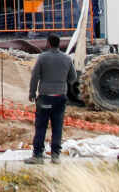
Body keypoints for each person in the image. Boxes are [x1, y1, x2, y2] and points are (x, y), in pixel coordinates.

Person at [27, 33, 76, 163]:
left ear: (48, 43)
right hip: (60, 97)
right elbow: (73, 78)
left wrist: (32, 93)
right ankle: (55, 155)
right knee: (57, 126)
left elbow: (35, 76)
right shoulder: (67, 59)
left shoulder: (42, 58)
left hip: (45, 97)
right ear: (59, 44)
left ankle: (37, 155)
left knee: (41, 126)